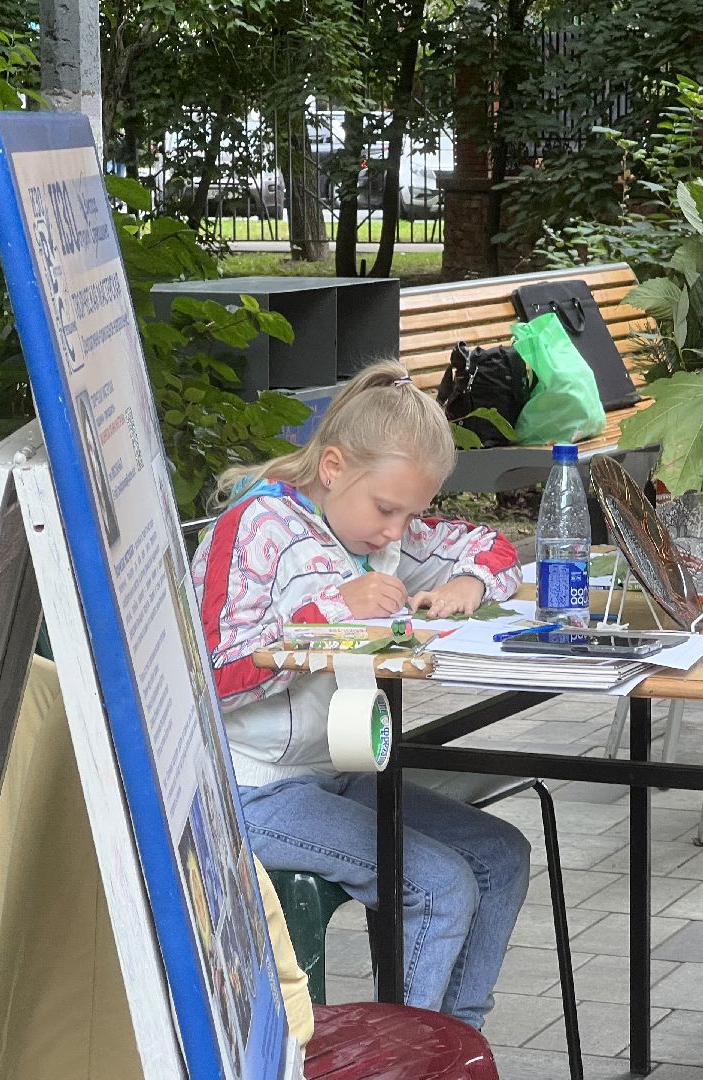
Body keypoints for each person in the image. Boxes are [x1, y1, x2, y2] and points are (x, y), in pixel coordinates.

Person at [190, 359, 529, 1030]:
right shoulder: (256, 526)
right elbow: (207, 672)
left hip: (332, 774)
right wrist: (328, 614)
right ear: (336, 466)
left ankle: (451, 1056)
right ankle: (405, 1062)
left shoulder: (370, 531)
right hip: (243, 789)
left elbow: (491, 546)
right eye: (388, 510)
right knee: (438, 887)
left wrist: (470, 586)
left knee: (499, 855)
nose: (397, 532)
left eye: (413, 513)